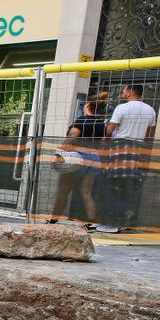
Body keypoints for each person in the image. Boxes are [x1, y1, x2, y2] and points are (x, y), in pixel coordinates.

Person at [101, 84, 156, 232]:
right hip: (138, 151)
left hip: (120, 150)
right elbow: (149, 135)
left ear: (131, 91)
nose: (123, 93)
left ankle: (112, 222)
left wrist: (106, 139)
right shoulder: (150, 110)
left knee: (114, 187)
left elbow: (110, 129)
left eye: (124, 91)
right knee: (131, 187)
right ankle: (128, 219)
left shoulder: (122, 108)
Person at [50, 93, 107, 225]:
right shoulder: (101, 124)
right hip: (94, 158)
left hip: (77, 158)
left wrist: (62, 150)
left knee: (63, 191)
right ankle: (91, 223)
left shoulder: (81, 120)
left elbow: (73, 135)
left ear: (87, 105)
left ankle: (53, 220)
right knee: (87, 192)